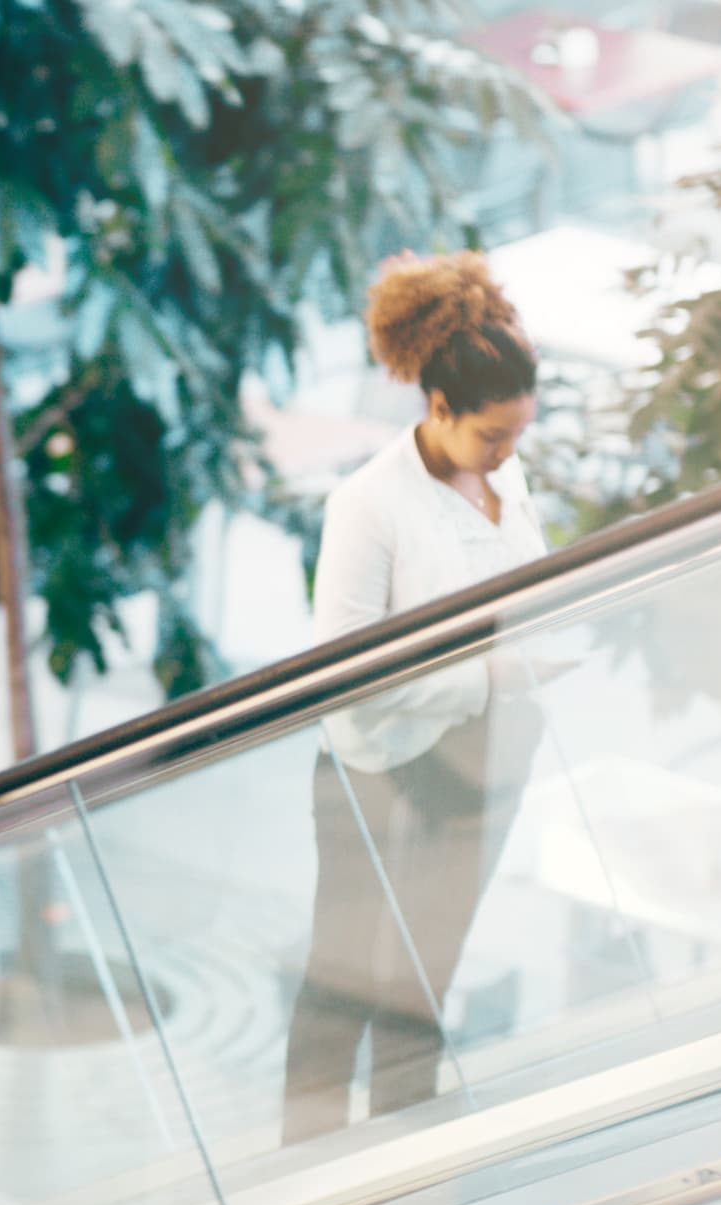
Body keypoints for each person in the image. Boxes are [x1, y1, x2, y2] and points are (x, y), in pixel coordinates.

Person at [281, 252, 549, 1144]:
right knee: (346, 972)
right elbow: (343, 673)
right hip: (379, 772)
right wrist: (485, 674)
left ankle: (403, 1149)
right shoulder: (369, 506)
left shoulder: (505, 479)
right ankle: (307, 1159)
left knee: (428, 970)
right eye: (493, 437)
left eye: (519, 435)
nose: (509, 455)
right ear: (439, 409)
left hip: (479, 758)